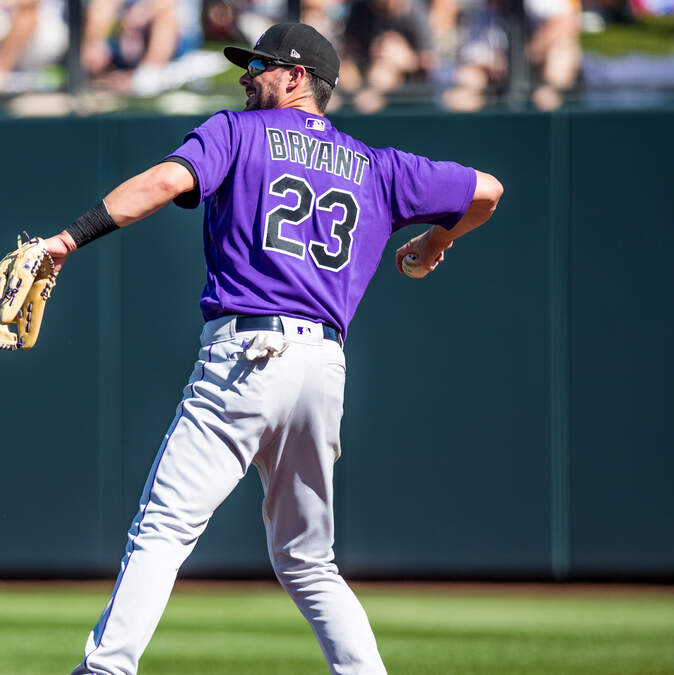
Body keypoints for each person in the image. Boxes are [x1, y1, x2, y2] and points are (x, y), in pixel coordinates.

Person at [39, 22, 503, 675]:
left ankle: (106, 669)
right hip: (322, 368)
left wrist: (67, 239)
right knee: (309, 562)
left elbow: (163, 183)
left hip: (246, 355)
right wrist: (435, 242)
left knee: (163, 528)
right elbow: (487, 190)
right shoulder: (379, 167)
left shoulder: (236, 131)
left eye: (260, 66)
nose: (246, 75)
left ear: (296, 77)